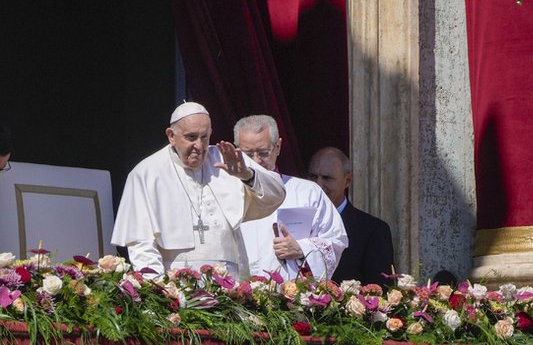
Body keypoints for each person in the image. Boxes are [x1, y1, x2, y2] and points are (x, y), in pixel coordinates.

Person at [110, 102, 286, 279]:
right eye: (191, 137)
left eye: (204, 137)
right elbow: (142, 243)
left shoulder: (227, 159)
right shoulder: (146, 173)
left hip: (230, 283)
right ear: (172, 136)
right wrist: (158, 291)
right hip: (176, 287)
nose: (200, 146)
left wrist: (247, 174)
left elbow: (277, 195)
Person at [235, 115, 347, 280]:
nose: (256, 161)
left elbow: (336, 240)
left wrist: (302, 248)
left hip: (289, 298)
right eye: (248, 154)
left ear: (278, 146)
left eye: (263, 153)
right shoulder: (225, 192)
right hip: (237, 295)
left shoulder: (308, 192)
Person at [308, 147, 394, 287]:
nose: (318, 185)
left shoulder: (373, 230)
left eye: (327, 178)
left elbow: (380, 291)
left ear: (347, 180)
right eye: (313, 177)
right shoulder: (295, 222)